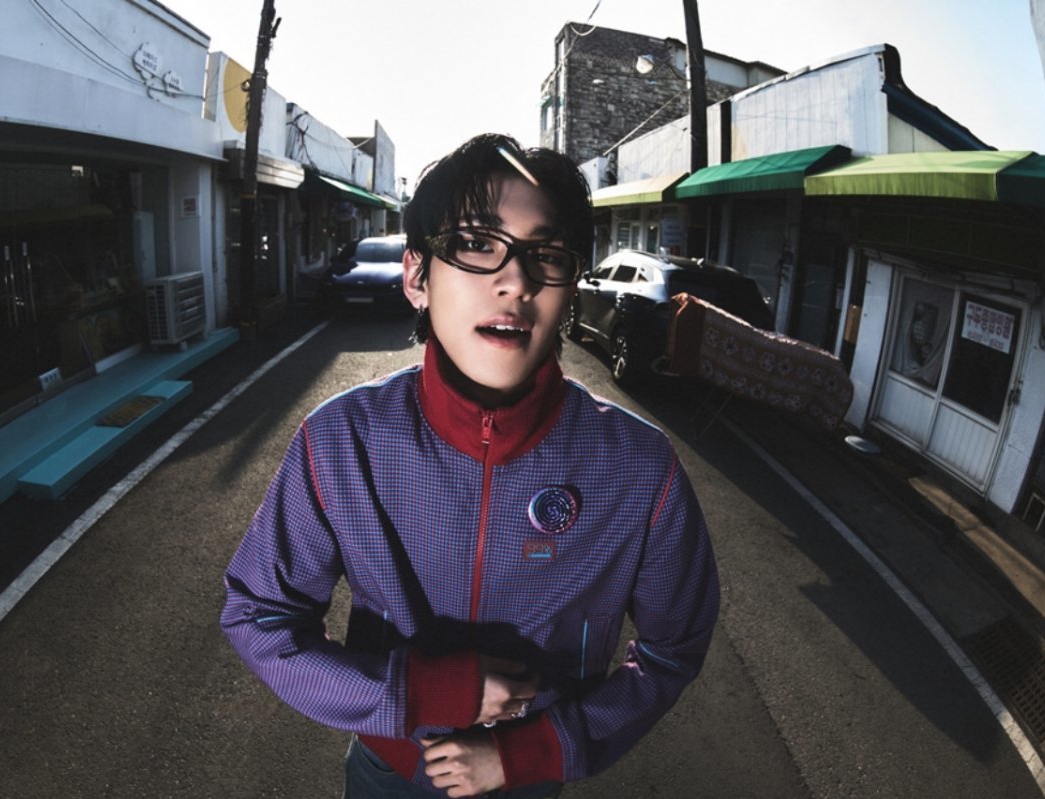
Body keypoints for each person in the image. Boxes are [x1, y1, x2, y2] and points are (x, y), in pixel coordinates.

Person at [220, 133, 719, 798]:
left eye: (547, 255)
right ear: (417, 278)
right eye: (477, 244)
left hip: (532, 781)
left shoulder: (640, 467)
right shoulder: (341, 441)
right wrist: (417, 694)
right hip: (389, 772)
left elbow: (671, 649)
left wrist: (538, 748)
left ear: (569, 289)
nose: (516, 280)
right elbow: (258, 615)